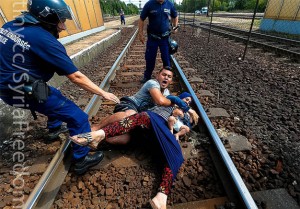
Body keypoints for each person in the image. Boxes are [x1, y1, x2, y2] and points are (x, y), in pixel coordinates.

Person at [0, 0, 120, 175]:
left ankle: (54, 128)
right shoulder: (45, 40)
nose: (63, 27)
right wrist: (103, 93)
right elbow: (76, 77)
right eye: (60, 21)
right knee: (78, 117)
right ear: (47, 17)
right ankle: (81, 159)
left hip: (6, 88)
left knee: (52, 94)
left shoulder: (12, 24)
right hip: (22, 91)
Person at [69, 96, 195, 209]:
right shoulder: (170, 102)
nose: (187, 101)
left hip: (163, 137)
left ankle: (161, 196)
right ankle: (100, 135)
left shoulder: (187, 118)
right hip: (154, 123)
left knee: (177, 157)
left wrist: (182, 125)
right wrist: (185, 108)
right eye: (186, 98)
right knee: (144, 116)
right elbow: (172, 98)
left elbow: (187, 128)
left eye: (190, 101)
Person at [138, 0, 179, 84]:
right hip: (152, 38)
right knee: (150, 59)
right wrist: (140, 34)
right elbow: (141, 19)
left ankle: (166, 78)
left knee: (166, 59)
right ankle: (147, 76)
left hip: (165, 38)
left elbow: (175, 16)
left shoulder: (169, 4)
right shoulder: (149, 4)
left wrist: (175, 26)